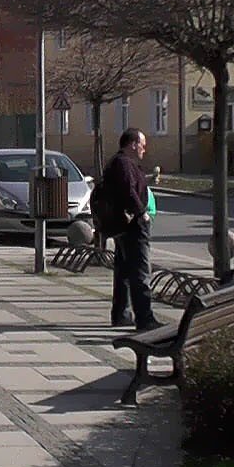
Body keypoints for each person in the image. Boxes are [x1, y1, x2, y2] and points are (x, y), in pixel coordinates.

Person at [100, 128, 160, 331]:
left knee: (124, 272)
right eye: (142, 144)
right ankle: (145, 318)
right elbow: (128, 190)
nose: (145, 149)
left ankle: (121, 314)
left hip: (122, 225)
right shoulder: (123, 163)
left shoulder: (121, 163)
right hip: (132, 225)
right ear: (133, 144)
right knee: (140, 271)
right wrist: (141, 212)